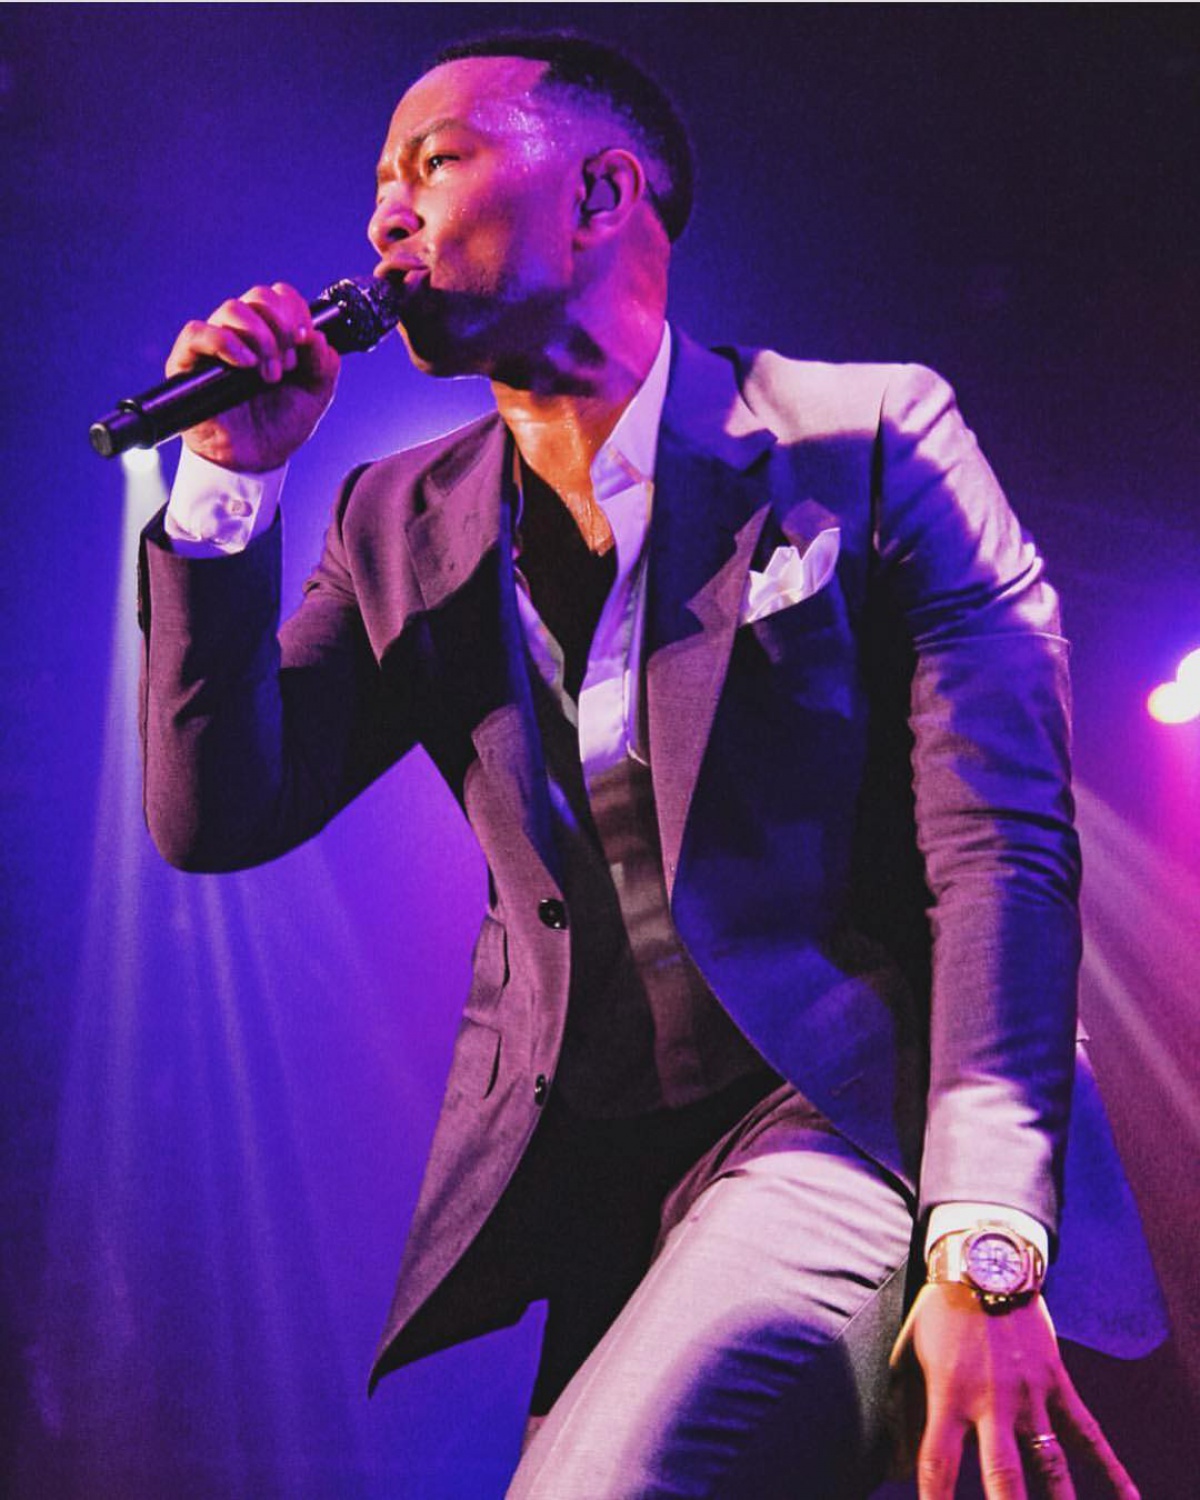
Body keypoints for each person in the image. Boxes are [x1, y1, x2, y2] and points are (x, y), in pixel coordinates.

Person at [138, 32, 1163, 1499]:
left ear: (602, 193)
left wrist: (988, 1248)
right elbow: (218, 811)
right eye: (377, 184)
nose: (384, 218)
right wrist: (228, 482)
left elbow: (999, 849)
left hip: (848, 1116)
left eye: (435, 162)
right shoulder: (391, 520)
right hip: (610, 1188)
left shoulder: (864, 437)